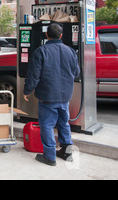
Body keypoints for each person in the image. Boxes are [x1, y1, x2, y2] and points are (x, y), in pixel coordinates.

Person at [23, 23, 80, 166]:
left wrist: (27, 90)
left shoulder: (41, 51)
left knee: (47, 125)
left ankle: (50, 156)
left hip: (48, 96)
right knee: (64, 122)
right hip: (65, 95)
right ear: (61, 35)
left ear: (47, 35)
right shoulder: (71, 51)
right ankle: (67, 151)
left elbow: (34, 75)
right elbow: (77, 73)